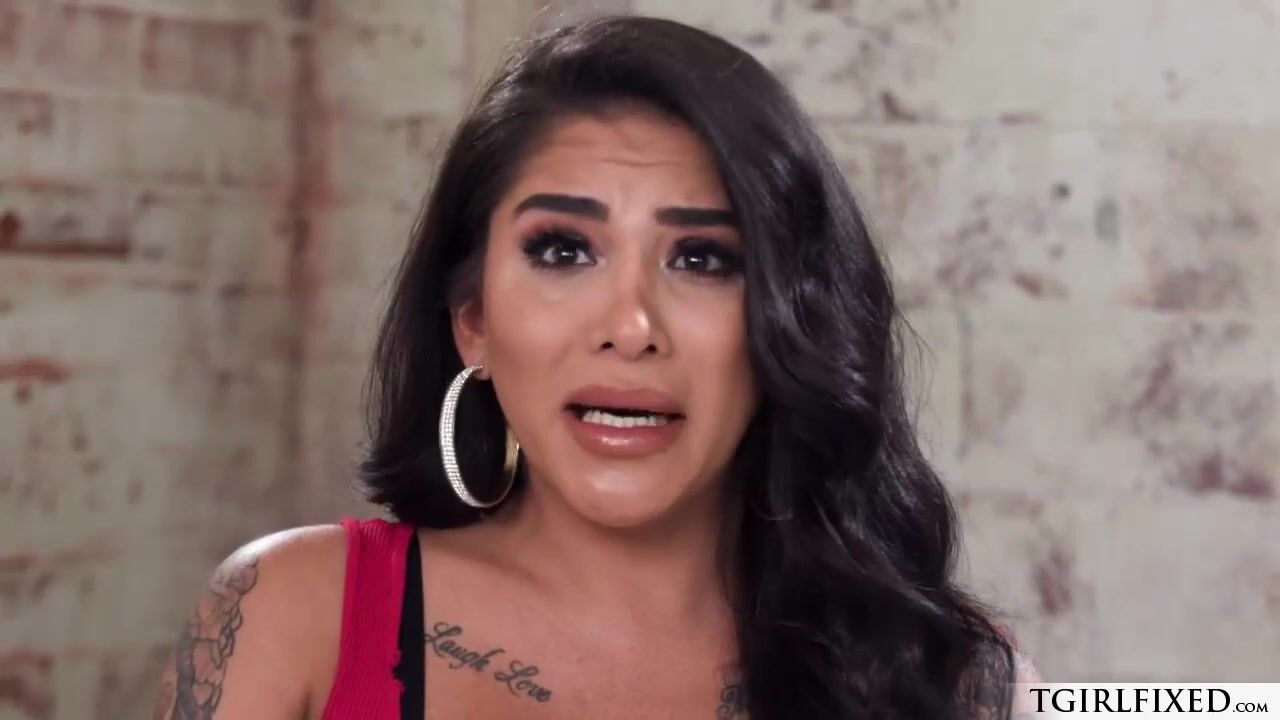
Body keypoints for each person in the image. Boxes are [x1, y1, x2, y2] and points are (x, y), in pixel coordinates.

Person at [152, 14, 1042, 720]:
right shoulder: (295, 612)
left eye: (702, 259)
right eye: (563, 251)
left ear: (786, 322)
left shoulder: (953, 681)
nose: (630, 327)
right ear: (473, 322)